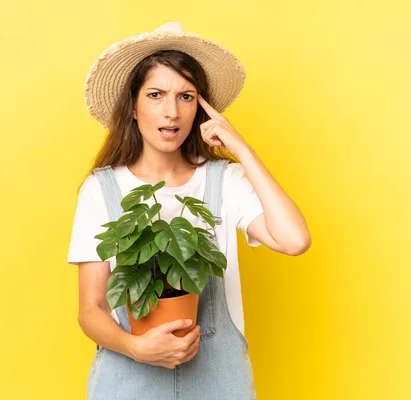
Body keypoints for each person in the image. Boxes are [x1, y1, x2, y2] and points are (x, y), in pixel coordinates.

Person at [67, 22, 311, 399]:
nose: (172, 112)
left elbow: (294, 240)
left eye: (186, 96)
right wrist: (136, 347)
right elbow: (91, 308)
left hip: (217, 381)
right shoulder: (101, 190)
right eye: (155, 94)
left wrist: (241, 149)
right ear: (132, 107)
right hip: (128, 382)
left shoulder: (224, 180)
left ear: (200, 108)